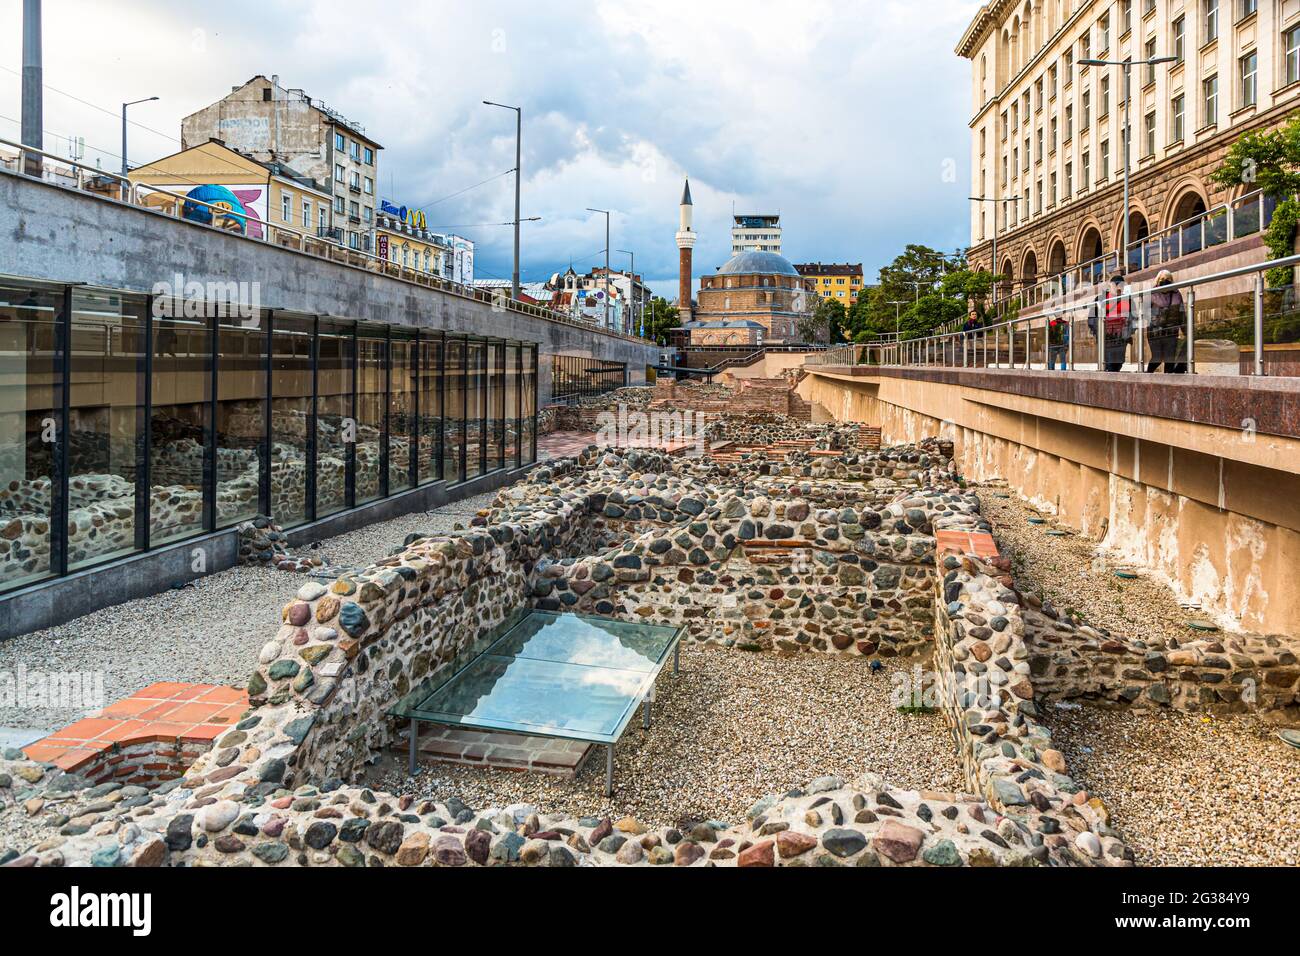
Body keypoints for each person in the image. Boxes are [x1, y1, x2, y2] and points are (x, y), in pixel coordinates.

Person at [1089, 273, 1133, 371]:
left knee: (1119, 362)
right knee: (1109, 362)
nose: (1118, 286)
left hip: (1121, 337)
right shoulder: (1100, 299)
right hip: (1106, 337)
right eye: (1115, 284)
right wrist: (1099, 332)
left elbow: (1133, 316)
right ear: (1110, 285)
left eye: (1121, 285)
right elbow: (1092, 317)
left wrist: (1129, 332)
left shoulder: (1127, 299)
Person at [1146, 269, 1187, 373]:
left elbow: (1181, 313)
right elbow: (1145, 314)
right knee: (1157, 358)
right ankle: (1147, 375)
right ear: (1158, 280)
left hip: (1171, 332)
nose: (1165, 281)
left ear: (1172, 280)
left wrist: (1186, 330)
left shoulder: (1177, 294)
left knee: (1170, 360)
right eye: (1163, 279)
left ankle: (1168, 381)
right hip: (1155, 333)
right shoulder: (1152, 294)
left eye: (1168, 279)